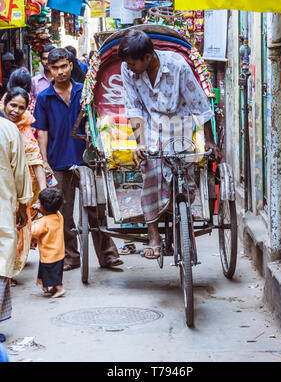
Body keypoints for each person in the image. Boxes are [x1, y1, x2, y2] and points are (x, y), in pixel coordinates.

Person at [118, 29, 221, 259]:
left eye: (133, 63)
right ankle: (153, 234)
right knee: (151, 173)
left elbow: (200, 106)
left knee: (185, 183)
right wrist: (141, 143)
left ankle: (180, 228)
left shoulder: (178, 66)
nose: (129, 67)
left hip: (180, 126)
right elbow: (133, 107)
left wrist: (211, 142)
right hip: (151, 128)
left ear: (148, 56)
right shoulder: (128, 69)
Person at [33, 48, 123, 271]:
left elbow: (95, 122)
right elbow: (42, 132)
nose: (60, 71)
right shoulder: (45, 97)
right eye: (55, 68)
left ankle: (108, 256)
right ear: (49, 69)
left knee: (96, 209)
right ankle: (71, 257)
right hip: (58, 160)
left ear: (71, 65)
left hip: (87, 159)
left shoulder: (84, 92)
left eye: (64, 66)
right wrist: (44, 161)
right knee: (62, 213)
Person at [0, 114, 32, 342]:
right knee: (1, 261)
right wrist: (23, 204)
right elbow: (20, 171)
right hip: (3, 206)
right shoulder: (8, 130)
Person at [32, 188, 66, 298]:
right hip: (59, 252)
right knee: (55, 272)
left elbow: (34, 232)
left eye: (39, 203)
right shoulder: (58, 216)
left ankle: (59, 288)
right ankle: (53, 288)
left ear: (43, 207)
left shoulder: (43, 222)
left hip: (49, 254)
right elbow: (49, 213)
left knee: (50, 272)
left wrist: (33, 221)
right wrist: (41, 209)